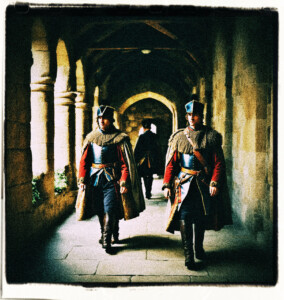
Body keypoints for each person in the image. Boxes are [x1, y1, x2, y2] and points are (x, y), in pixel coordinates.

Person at [162, 95, 232, 270]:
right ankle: (188, 255)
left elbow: (218, 164)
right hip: (184, 184)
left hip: (203, 184)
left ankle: (198, 247)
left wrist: (214, 182)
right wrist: (166, 184)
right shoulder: (179, 137)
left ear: (201, 116)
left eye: (195, 114)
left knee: (200, 218)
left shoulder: (211, 136)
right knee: (184, 217)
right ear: (186, 116)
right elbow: (171, 163)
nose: (192, 117)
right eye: (189, 115)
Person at [77, 105, 145, 253]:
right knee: (99, 210)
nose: (102, 121)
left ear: (111, 120)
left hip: (112, 180)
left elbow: (125, 164)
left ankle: (107, 241)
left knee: (110, 208)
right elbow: (84, 161)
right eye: (100, 118)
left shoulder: (120, 138)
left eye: (105, 118)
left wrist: (124, 181)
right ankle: (107, 233)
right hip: (94, 180)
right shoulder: (91, 138)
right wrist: (82, 180)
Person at [134, 119, 160, 199]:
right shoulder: (155, 136)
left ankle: (146, 193)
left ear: (143, 127)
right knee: (150, 176)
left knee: (145, 176)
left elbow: (137, 149)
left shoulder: (142, 136)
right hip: (153, 159)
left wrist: (135, 160)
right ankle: (148, 192)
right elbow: (158, 149)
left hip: (143, 160)